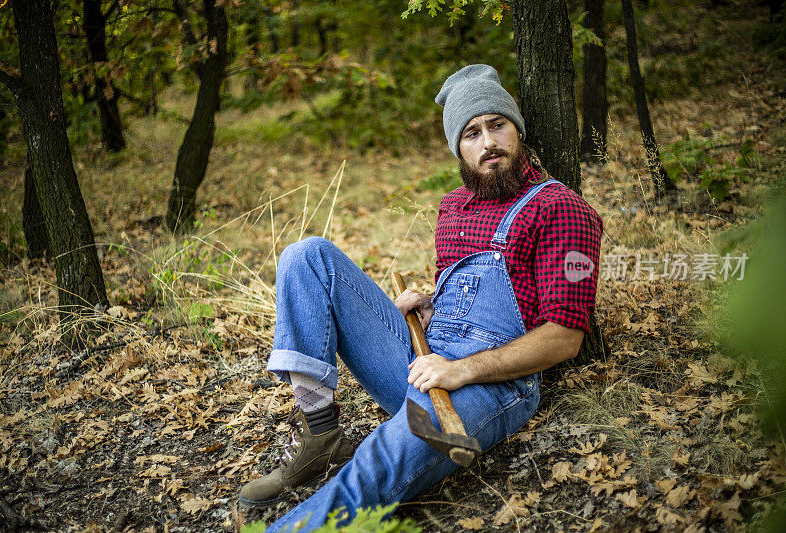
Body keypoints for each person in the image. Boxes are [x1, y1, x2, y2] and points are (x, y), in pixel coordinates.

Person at [237, 63, 603, 532]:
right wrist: (431, 312)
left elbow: (564, 338)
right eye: (471, 133)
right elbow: (466, 301)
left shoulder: (560, 208)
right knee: (307, 255)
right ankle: (321, 433)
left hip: (493, 386)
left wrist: (461, 370)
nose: (488, 142)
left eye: (497, 126)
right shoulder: (453, 208)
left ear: (518, 131)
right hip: (423, 359)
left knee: (379, 459)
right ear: (458, 147)